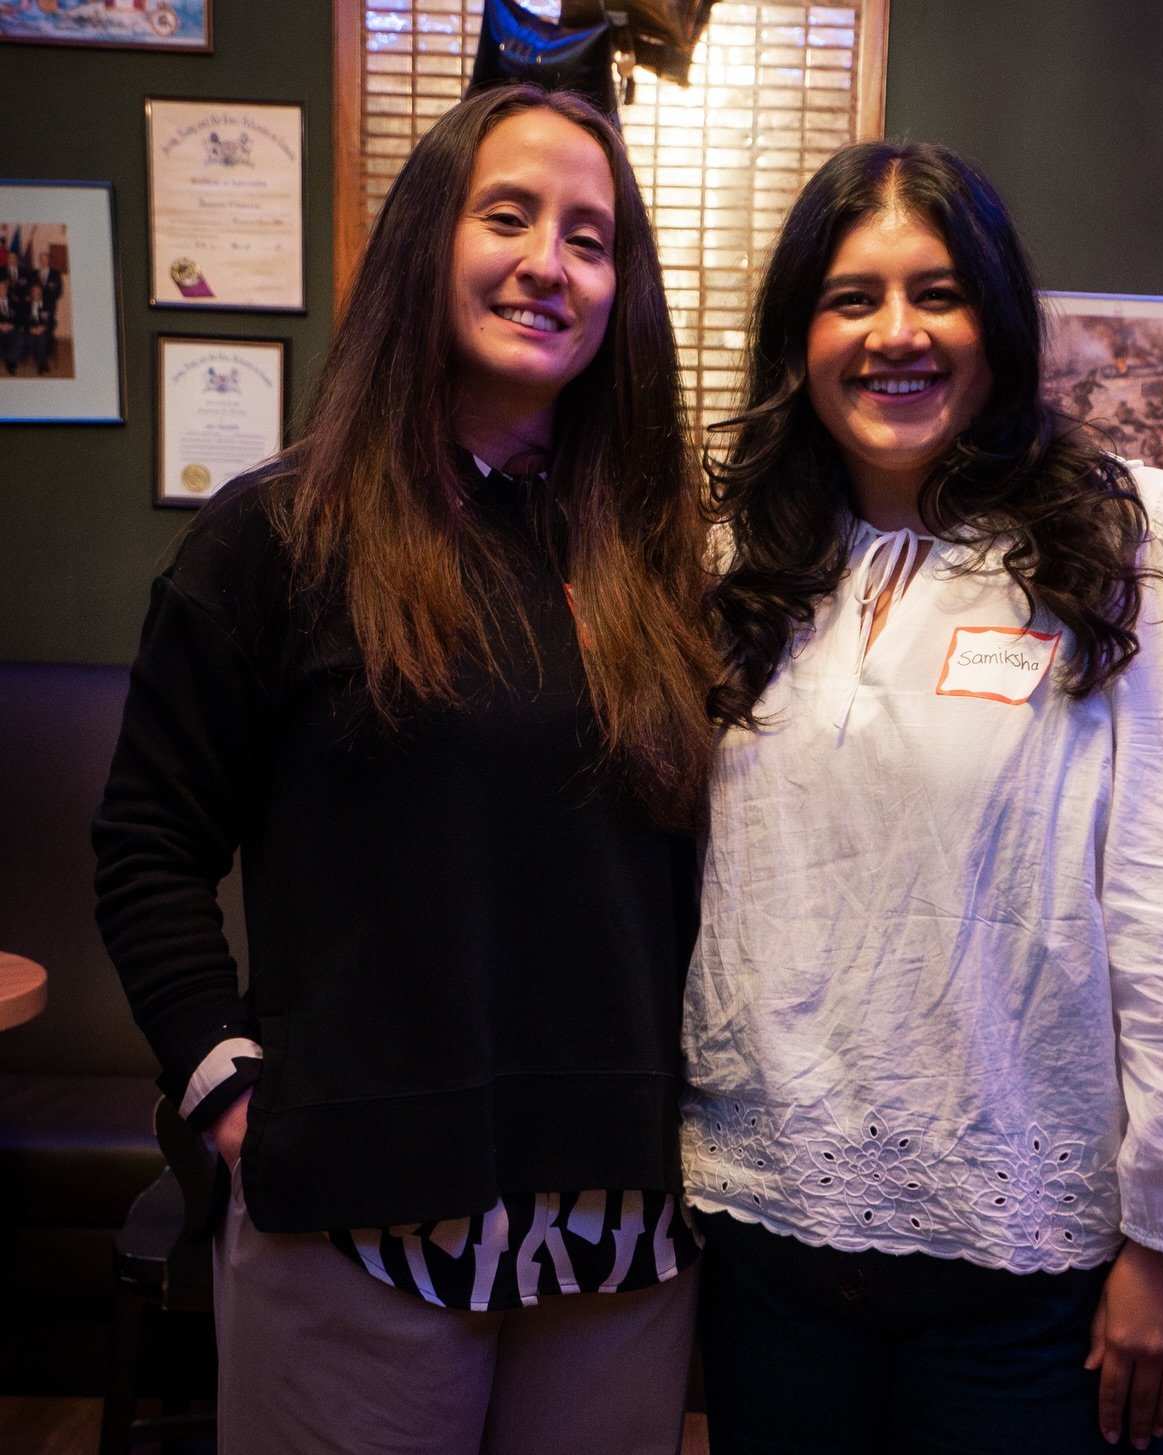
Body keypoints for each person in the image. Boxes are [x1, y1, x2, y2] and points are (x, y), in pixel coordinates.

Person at [95, 83, 717, 1455]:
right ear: (426, 240)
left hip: (618, 1229)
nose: (549, 263)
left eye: (593, 237)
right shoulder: (274, 540)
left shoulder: (660, 564)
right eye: (510, 216)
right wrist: (231, 1096)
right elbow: (146, 847)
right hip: (355, 1218)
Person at [683, 140, 1163, 1455]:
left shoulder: (1140, 541)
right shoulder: (738, 560)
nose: (894, 334)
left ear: (1002, 324)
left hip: (1035, 1282)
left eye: (939, 292)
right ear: (799, 334)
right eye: (851, 298)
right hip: (765, 1244)